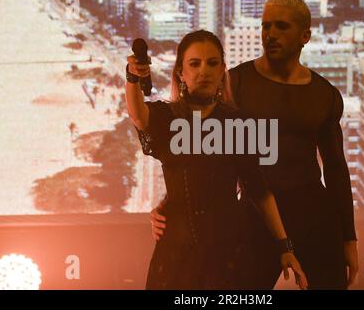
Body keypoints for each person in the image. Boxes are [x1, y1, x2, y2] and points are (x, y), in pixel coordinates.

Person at [151, 0, 359, 290]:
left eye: (281, 26)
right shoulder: (233, 83)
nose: (270, 34)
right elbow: (196, 152)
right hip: (252, 219)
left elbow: (337, 169)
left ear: (305, 36)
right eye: (266, 26)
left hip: (315, 215)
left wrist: (349, 238)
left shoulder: (325, 94)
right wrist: (169, 203)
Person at [125, 30, 308, 290]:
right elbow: (138, 116)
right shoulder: (168, 117)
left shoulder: (238, 124)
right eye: (194, 63)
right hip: (177, 258)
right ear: (181, 72)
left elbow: (259, 191)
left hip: (230, 256)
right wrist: (132, 77)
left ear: (223, 70)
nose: (204, 71)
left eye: (212, 63)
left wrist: (285, 246)